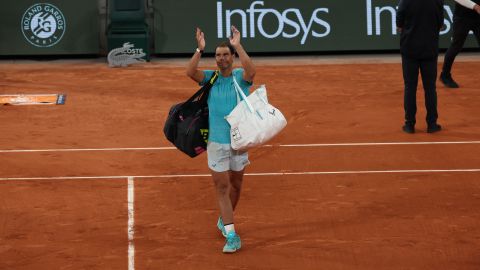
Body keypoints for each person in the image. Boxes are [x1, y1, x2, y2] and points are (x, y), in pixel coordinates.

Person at [186, 25, 256, 253]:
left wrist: (238, 45)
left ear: (232, 57)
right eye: (217, 55)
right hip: (216, 142)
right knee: (222, 187)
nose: (221, 58)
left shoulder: (239, 78)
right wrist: (199, 49)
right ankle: (232, 234)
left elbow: (251, 72)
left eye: (226, 54)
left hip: (239, 141)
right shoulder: (210, 78)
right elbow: (190, 72)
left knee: (236, 185)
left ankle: (224, 220)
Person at [397, 0, 444, 133]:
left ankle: (409, 125)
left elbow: (399, 24)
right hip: (429, 49)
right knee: (430, 88)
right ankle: (432, 124)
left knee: (410, 87)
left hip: (409, 49)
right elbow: (440, 25)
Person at [440, 0, 480, 88]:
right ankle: (445, 75)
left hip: (478, 17)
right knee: (456, 46)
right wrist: (475, 6)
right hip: (462, 18)